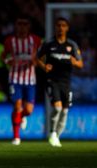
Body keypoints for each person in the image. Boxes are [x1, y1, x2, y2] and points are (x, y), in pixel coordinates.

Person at [36, 17, 83, 147]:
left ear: (67, 28)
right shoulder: (48, 43)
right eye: (58, 25)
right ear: (55, 27)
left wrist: (75, 62)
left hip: (66, 82)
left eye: (63, 25)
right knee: (57, 107)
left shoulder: (71, 45)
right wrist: (43, 66)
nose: (60, 28)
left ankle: (56, 135)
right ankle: (51, 133)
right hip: (52, 80)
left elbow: (80, 63)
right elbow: (37, 58)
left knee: (65, 111)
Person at [1, 15, 41, 145]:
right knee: (17, 106)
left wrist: (37, 62)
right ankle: (16, 137)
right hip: (15, 78)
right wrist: (8, 61)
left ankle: (22, 117)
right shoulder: (10, 41)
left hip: (30, 79)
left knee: (28, 110)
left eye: (25, 24)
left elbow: (41, 57)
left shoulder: (35, 40)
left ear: (29, 26)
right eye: (19, 23)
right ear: (16, 26)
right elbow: (2, 57)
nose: (22, 26)